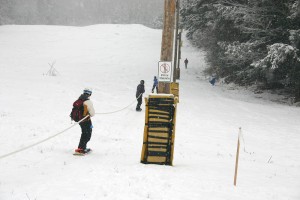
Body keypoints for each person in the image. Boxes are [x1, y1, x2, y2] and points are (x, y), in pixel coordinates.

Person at [75, 88, 95, 154]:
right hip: (86, 120)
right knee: (87, 134)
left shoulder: (79, 99)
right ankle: (81, 149)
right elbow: (92, 114)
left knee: (84, 133)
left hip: (80, 120)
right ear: (90, 94)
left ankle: (81, 147)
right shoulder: (88, 101)